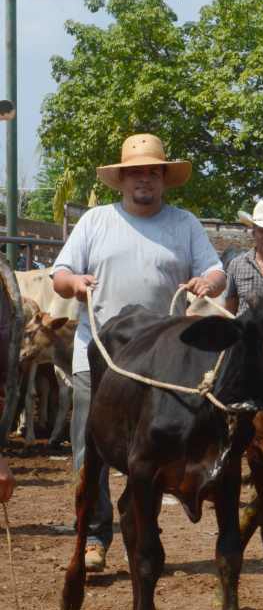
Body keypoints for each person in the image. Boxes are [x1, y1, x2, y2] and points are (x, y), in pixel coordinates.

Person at [52, 133, 225, 573]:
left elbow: (215, 270)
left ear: (164, 179)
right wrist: (75, 284)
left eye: (152, 172)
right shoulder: (95, 221)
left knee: (154, 450)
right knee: (91, 451)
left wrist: (207, 282)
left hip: (163, 365)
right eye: (135, 173)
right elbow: (60, 274)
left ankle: (142, 521)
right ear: (122, 180)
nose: (143, 180)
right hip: (101, 355)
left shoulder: (184, 223)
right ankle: (93, 535)